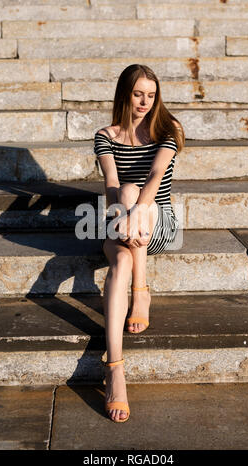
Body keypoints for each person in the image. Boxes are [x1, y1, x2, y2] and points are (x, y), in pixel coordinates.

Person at [93, 64, 185, 423]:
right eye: (138, 94)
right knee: (120, 262)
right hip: (121, 220)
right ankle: (115, 368)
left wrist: (136, 212)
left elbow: (156, 175)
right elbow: (111, 184)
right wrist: (123, 216)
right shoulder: (105, 135)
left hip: (157, 222)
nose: (145, 102)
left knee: (135, 190)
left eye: (151, 94)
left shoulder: (168, 128)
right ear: (124, 94)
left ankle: (142, 289)